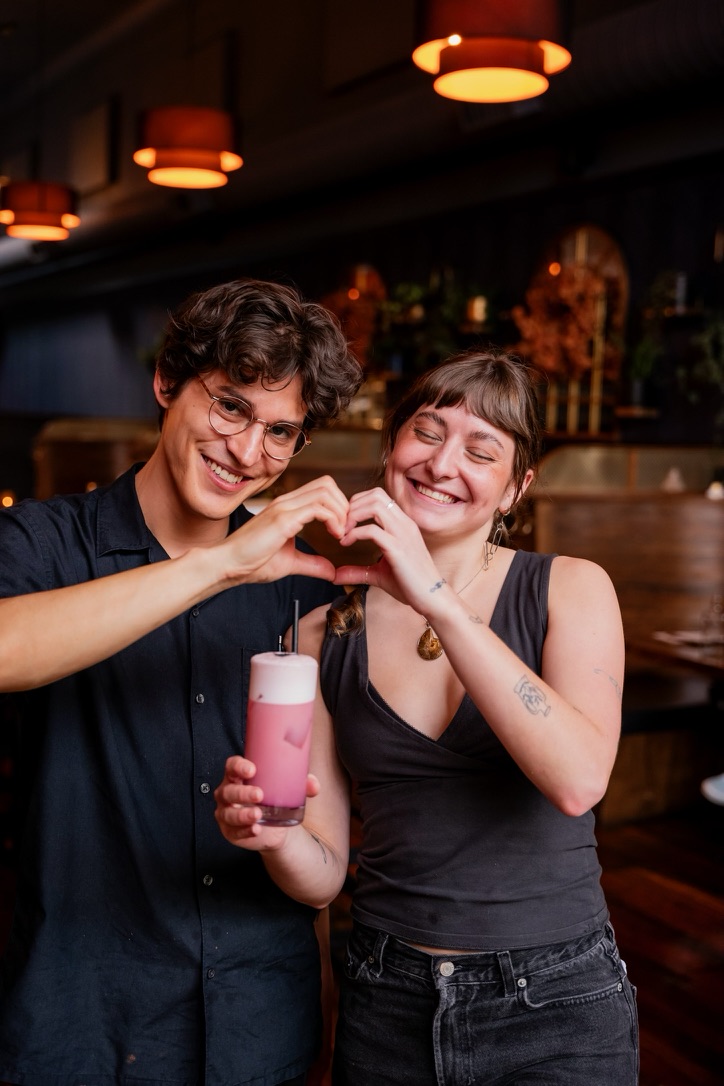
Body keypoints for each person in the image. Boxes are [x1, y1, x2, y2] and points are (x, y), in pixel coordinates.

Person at [216, 348, 639, 1085]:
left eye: (483, 450)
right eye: (429, 431)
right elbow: (321, 877)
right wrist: (270, 834)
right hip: (387, 997)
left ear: (517, 488)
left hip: (558, 1002)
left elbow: (578, 780)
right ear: (390, 448)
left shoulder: (571, 589)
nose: (445, 464)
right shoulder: (316, 636)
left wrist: (434, 595)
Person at [0, 277, 363, 1086]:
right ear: (168, 381)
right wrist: (224, 564)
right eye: (230, 407)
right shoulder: (44, 542)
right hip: (83, 1018)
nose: (247, 453)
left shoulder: (300, 590)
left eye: (280, 433)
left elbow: (325, 869)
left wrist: (278, 837)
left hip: (255, 1025)